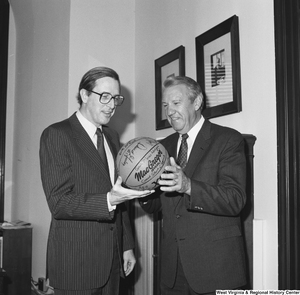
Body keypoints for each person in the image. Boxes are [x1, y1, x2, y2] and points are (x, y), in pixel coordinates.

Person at [39, 66, 153, 295]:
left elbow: (119, 197)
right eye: (105, 96)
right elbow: (59, 202)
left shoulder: (111, 136)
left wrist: (127, 246)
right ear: (84, 95)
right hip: (76, 264)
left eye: (116, 98)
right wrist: (109, 199)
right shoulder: (57, 134)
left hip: (112, 260)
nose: (112, 105)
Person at [140, 76, 247, 294]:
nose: (169, 112)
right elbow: (155, 205)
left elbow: (235, 199)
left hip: (216, 270)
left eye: (176, 103)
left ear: (197, 102)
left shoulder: (228, 140)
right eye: (165, 106)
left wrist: (188, 185)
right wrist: (141, 189)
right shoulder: (161, 147)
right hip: (173, 272)